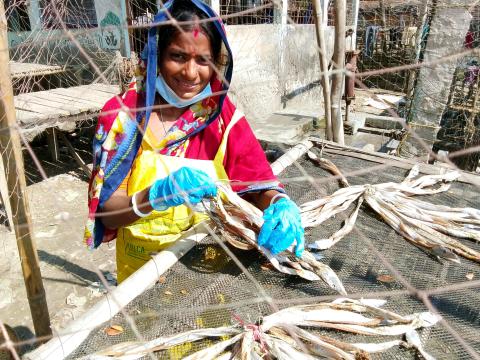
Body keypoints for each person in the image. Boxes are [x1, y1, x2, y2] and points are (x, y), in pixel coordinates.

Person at [84, 0, 304, 283]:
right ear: (156, 55)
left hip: (205, 267)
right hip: (140, 272)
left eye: (203, 60)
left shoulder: (222, 119)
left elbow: (255, 184)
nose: (190, 73)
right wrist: (152, 197)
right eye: (177, 56)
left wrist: (279, 203)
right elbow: (107, 213)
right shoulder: (123, 118)